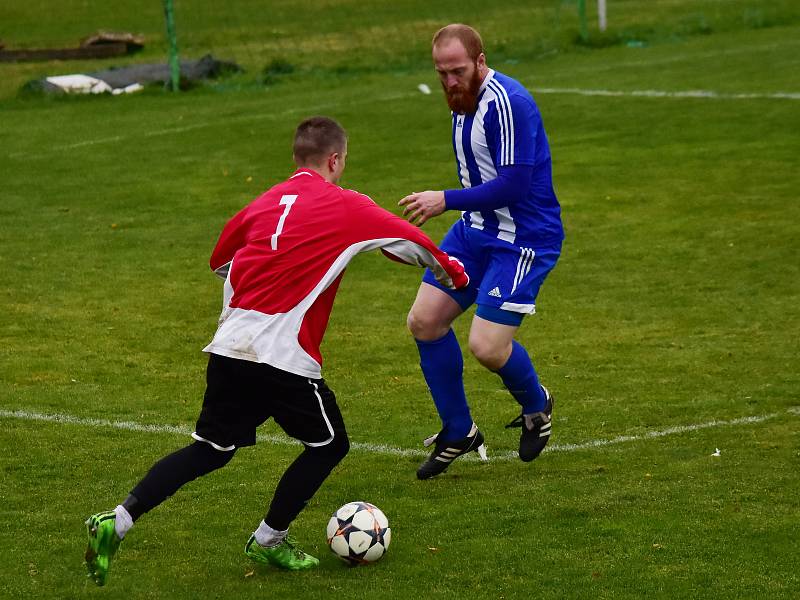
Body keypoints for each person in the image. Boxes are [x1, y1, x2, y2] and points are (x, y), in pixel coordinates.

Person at [84, 116, 468, 585]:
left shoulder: (262, 203)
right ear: (335, 160)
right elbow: (409, 241)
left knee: (211, 449)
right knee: (329, 444)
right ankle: (269, 539)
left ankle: (118, 519)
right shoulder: (347, 205)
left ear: (296, 158)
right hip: (282, 356)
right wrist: (453, 273)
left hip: (229, 347)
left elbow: (219, 260)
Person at [399, 24, 564, 479]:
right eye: (442, 73)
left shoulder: (508, 104)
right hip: (475, 231)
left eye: (457, 71)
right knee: (425, 321)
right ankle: (459, 430)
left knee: (488, 347)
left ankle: (537, 405)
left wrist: (444, 199)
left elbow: (515, 183)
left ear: (480, 62)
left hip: (523, 239)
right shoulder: (461, 102)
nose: (450, 82)